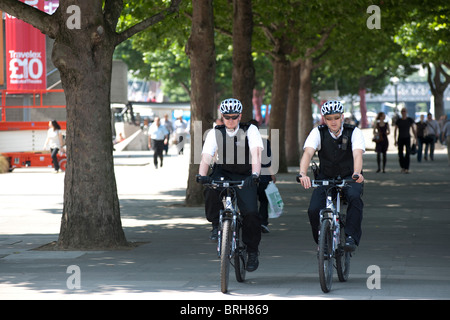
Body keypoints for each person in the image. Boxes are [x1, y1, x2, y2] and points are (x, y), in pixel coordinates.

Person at [197, 98, 264, 272]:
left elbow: (256, 153)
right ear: (222, 116)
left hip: (246, 174)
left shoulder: (250, 129)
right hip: (223, 171)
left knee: (251, 213)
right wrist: (202, 176)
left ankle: (252, 251)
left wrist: (255, 174)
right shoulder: (215, 132)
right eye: (227, 117)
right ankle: (215, 225)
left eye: (234, 117)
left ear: (240, 116)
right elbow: (206, 156)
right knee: (211, 190)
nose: (231, 120)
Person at [298, 100, 365, 253]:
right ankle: (322, 242)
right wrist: (302, 174)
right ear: (324, 119)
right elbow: (308, 153)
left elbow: (357, 154)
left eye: (336, 117)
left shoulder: (353, 132)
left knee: (355, 198)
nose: (333, 121)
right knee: (313, 210)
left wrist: (356, 173)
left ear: (342, 116)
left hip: (349, 176)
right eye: (329, 118)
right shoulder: (318, 132)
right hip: (325, 176)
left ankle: (350, 237)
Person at [248, 119, 276, 233]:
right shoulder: (264, 142)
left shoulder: (242, 142)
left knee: (250, 200)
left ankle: (250, 223)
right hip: (264, 175)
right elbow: (268, 160)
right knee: (264, 200)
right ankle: (263, 223)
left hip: (249, 175)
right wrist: (272, 174)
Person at [394, 108, 417, 173]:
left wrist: (415, 138)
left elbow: (413, 129)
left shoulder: (409, 120)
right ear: (401, 112)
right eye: (402, 111)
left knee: (408, 153)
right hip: (400, 138)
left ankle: (407, 168)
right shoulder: (398, 121)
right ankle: (402, 167)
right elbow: (395, 130)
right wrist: (395, 140)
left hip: (407, 138)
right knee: (400, 153)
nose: (403, 112)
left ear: (406, 112)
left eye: (404, 111)